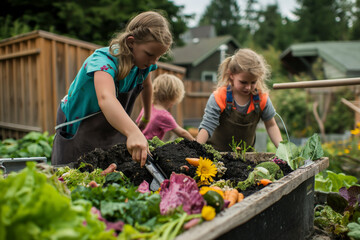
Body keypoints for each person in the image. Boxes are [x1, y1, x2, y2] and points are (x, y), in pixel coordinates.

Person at [51, 11, 173, 167]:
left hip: (105, 130)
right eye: (149, 54)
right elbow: (106, 99)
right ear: (131, 42)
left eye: (158, 57)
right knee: (71, 173)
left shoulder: (143, 66)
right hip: (76, 128)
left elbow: (147, 85)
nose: (153, 62)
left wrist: (146, 116)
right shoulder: (103, 61)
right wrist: (133, 132)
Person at [196, 48, 282, 152]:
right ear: (231, 75)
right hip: (217, 156)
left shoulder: (261, 98)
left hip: (246, 158)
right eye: (243, 82)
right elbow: (207, 126)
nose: (248, 87)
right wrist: (196, 150)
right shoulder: (219, 97)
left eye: (253, 82)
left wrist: (283, 151)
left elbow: (271, 125)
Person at [136, 73, 195, 141]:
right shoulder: (163, 115)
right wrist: (196, 143)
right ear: (174, 96)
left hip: (138, 142)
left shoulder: (147, 108)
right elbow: (182, 133)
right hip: (149, 148)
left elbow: (138, 125)